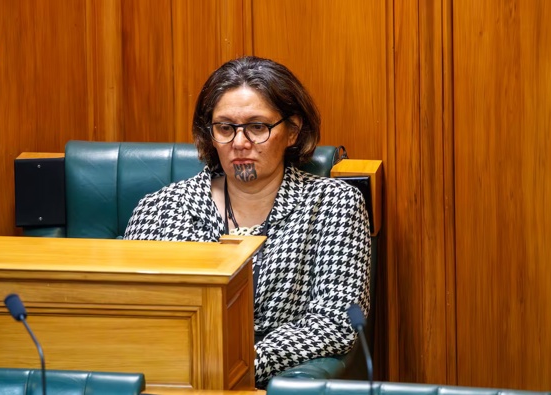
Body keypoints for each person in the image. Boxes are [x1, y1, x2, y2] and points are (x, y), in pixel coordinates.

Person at [124, 56, 371, 388]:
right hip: (170, 381)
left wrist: (240, 364)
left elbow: (336, 322)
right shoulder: (160, 209)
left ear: (293, 131)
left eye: (257, 127)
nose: (239, 143)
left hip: (265, 380)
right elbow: (132, 316)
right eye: (225, 128)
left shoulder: (333, 204)